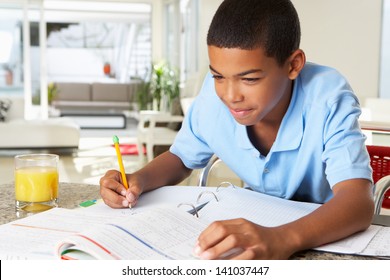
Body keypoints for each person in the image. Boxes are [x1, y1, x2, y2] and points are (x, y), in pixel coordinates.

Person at [99, 0, 374, 259]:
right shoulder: (212, 96)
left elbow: (358, 201)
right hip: (257, 219)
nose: (230, 95)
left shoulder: (328, 96)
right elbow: (182, 158)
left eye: (250, 79)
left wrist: (281, 239)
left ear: (293, 65)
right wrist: (138, 180)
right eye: (218, 76)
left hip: (325, 232)